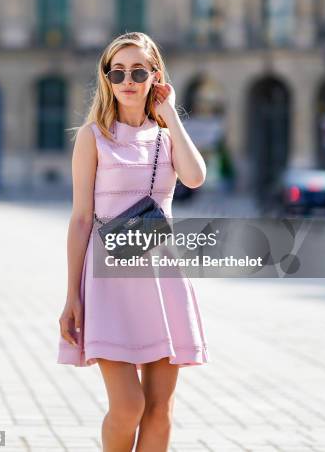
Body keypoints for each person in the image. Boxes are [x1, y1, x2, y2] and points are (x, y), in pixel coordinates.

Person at [58, 32, 212, 451]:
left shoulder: (166, 138)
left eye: (139, 71)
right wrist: (72, 296)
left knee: (160, 411)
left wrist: (170, 114)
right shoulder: (92, 138)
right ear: (106, 78)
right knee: (128, 407)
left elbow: (196, 177)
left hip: (162, 280)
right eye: (118, 71)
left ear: (154, 76)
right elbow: (80, 219)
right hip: (107, 283)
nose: (128, 79)